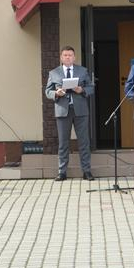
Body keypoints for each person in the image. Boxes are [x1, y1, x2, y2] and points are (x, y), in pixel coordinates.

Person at [45, 46, 94, 181]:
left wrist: (82, 90)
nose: (68, 57)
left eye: (70, 55)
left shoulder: (82, 71)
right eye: (65, 55)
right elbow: (47, 91)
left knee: (84, 142)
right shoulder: (54, 73)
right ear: (61, 58)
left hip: (80, 111)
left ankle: (87, 171)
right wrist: (56, 93)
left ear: (74, 57)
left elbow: (91, 88)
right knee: (63, 142)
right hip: (62, 111)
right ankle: (62, 172)